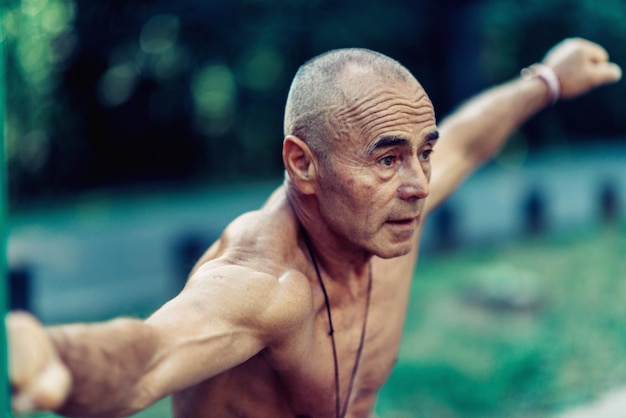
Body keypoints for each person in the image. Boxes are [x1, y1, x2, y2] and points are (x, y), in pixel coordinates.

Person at [7, 37, 621, 418]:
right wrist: (52, 354)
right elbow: (147, 356)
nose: (419, 183)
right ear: (302, 162)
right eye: (386, 158)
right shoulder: (267, 282)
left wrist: (546, 81)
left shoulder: (386, 213)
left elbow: (466, 140)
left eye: (421, 152)